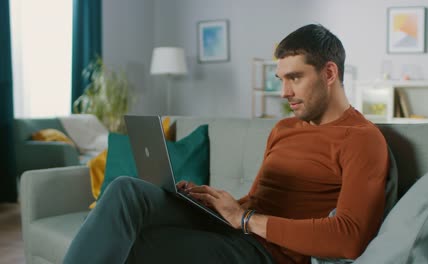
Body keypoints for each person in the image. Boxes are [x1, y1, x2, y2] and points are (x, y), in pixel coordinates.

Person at [63, 24, 389, 264]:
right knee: (125, 191)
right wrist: (218, 203)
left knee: (136, 245)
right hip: (236, 227)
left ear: (329, 73)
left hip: (267, 253)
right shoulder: (284, 128)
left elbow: (349, 237)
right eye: (282, 80)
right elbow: (258, 199)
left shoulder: (362, 139)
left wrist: (245, 220)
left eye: (295, 78)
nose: (284, 92)